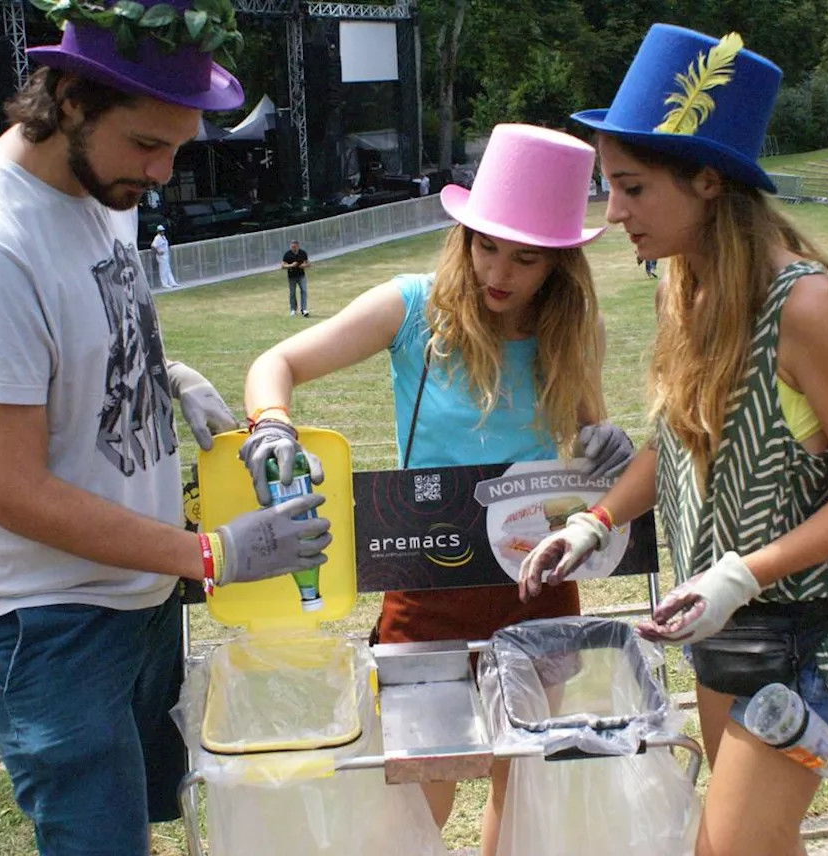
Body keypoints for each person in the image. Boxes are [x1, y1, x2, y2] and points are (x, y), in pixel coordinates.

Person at [0, 5, 332, 854]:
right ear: (68, 98)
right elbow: (10, 491)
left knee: (137, 825)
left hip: (133, 591)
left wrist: (168, 377)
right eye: (149, 145)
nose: (165, 172)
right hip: (46, 621)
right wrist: (211, 556)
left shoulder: (105, 187)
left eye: (178, 146)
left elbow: (85, 334)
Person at [519, 25, 828, 856]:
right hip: (724, 635)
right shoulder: (680, 282)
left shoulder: (807, 311)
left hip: (806, 637)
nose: (612, 211)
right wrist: (596, 521)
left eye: (630, 187)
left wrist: (741, 572)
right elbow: (679, 438)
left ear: (707, 181)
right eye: (607, 186)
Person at [242, 123, 635, 856]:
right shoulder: (411, 307)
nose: (501, 271)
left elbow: (586, 437)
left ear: (558, 263)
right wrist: (273, 425)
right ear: (464, 235)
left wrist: (600, 445)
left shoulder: (573, 329)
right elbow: (278, 363)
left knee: (521, 779)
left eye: (526, 256)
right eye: (486, 244)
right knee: (424, 786)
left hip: (535, 579)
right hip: (428, 575)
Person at [281, 238, 310, 316]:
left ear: (298, 246)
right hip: (292, 276)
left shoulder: (302, 253)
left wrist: (304, 265)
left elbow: (308, 263)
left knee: (304, 291)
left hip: (301, 275)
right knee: (292, 293)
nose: (293, 248)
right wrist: (291, 265)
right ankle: (293, 309)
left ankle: (304, 309)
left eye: (295, 246)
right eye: (292, 246)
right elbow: (282, 266)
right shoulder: (287, 254)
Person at [151, 224, 178, 288]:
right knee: (163, 270)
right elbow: (153, 246)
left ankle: (172, 282)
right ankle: (164, 283)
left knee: (168, 269)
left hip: (166, 255)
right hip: (161, 256)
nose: (162, 232)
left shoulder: (164, 237)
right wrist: (158, 253)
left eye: (163, 231)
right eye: (161, 231)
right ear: (158, 231)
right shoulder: (157, 238)